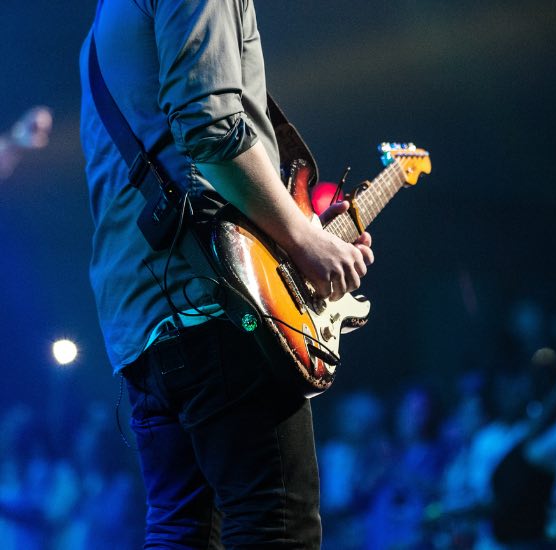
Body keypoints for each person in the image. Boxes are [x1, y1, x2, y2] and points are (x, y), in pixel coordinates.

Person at [79, 0, 373, 547]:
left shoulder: (108, 16)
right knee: (276, 526)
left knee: (181, 533)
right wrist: (305, 238)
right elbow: (211, 131)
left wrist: (299, 226)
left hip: (144, 321)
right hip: (220, 303)